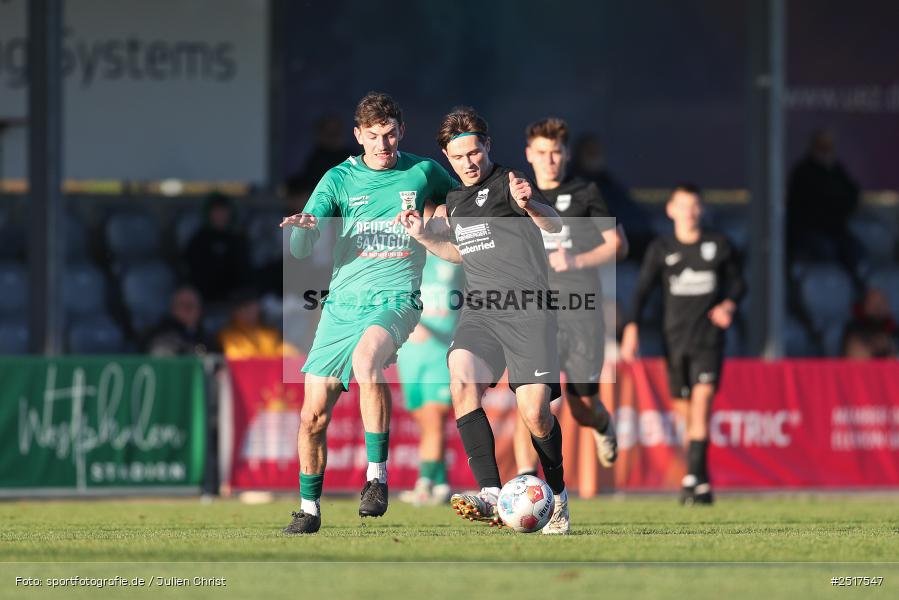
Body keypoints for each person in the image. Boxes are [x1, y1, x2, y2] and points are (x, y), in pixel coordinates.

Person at [278, 92, 457, 534]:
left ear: (402, 132)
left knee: (366, 361)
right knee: (312, 415)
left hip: (396, 298)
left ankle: (377, 479)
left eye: (390, 133)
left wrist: (441, 218)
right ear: (358, 136)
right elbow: (303, 243)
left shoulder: (422, 171)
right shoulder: (338, 178)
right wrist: (303, 232)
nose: (383, 144)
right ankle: (309, 509)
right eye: (373, 136)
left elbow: (461, 202)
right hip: (341, 307)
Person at [397, 106, 572, 534]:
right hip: (481, 311)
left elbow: (556, 226)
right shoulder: (455, 201)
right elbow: (461, 251)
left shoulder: (512, 184)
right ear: (447, 156)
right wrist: (423, 235)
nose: (468, 163)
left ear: (487, 146)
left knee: (536, 416)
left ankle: (559, 495)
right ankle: (491, 492)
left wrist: (531, 205)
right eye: (457, 157)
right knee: (460, 376)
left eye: (474, 153)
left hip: (529, 311)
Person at [512, 118, 626, 480]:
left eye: (556, 152)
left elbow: (618, 244)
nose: (549, 160)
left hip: (579, 314)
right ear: (529, 154)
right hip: (535, 313)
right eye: (542, 153)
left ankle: (602, 422)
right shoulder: (516, 195)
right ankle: (526, 483)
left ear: (567, 154)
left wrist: (575, 260)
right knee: (530, 400)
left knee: (581, 407)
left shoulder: (585, 192)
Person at [619, 184, 745, 505]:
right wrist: (631, 328)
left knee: (702, 406)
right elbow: (642, 291)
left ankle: (691, 478)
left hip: (708, 339)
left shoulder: (717, 245)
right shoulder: (662, 249)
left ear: (701, 210)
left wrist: (728, 304)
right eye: (683, 206)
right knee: (686, 415)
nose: (689, 212)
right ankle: (700, 481)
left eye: (694, 206)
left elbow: (738, 283)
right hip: (674, 340)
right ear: (671, 210)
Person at [396, 230, 465, 506]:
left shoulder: (455, 255)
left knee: (436, 417)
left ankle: (423, 486)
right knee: (425, 421)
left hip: (442, 349)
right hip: (411, 353)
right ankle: (442, 483)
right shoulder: (407, 258)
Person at [787, 130, 865, 293]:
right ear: (814, 147)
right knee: (826, 250)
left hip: (835, 230)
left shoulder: (835, 169)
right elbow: (807, 205)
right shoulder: (803, 171)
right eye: (822, 145)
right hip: (809, 231)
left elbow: (852, 193)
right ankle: (830, 292)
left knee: (855, 249)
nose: (826, 149)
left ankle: (855, 292)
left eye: (829, 146)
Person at [571, 133, 653, 261]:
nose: (595, 155)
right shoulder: (571, 184)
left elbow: (633, 214)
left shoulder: (608, 182)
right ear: (579, 155)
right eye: (590, 152)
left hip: (626, 236)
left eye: (597, 151)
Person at [183, 193, 252, 305]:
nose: (220, 215)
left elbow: (245, 272)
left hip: (235, 301)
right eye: (216, 211)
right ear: (209, 213)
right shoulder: (198, 240)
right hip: (204, 300)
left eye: (223, 211)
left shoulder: (238, 240)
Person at [218, 288, 298, 359]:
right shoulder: (227, 334)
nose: (248, 312)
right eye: (243, 308)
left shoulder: (270, 333)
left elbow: (283, 350)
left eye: (251, 307)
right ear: (234, 312)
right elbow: (236, 358)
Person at [142, 285, 219, 356]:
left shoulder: (209, 339)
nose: (187, 309)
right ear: (172, 309)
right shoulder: (159, 335)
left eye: (190, 305)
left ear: (200, 310)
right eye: (182, 305)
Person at [842, 288, 898, 359]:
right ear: (864, 305)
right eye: (873, 303)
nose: (878, 308)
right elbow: (857, 363)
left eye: (882, 302)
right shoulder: (854, 331)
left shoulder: (893, 331)